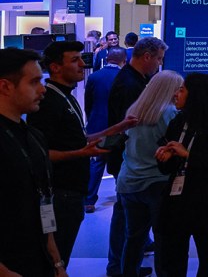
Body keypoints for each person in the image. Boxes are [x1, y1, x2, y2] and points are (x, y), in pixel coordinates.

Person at [28, 40, 137, 268]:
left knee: (61, 256)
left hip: (73, 191)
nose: (83, 65)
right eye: (75, 60)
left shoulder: (66, 97)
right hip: (60, 193)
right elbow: (39, 153)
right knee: (53, 260)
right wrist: (80, 153)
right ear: (55, 67)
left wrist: (114, 129)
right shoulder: (49, 102)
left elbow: (78, 139)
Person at [156, 73, 208, 276]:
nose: (176, 94)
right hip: (176, 201)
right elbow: (167, 168)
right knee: (171, 259)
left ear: (196, 95)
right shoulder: (178, 122)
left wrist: (189, 155)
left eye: (182, 90)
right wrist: (165, 156)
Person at [0, 48, 67, 277]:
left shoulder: (34, 136)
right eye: (34, 82)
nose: (43, 89)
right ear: (5, 86)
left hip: (38, 260)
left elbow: (44, 200)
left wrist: (57, 262)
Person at [105, 36, 167, 275]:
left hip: (128, 160)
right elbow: (131, 127)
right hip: (127, 160)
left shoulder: (134, 79)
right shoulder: (131, 84)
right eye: (158, 59)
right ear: (147, 57)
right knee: (125, 216)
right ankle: (118, 266)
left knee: (129, 218)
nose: (159, 64)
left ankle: (122, 264)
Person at [117, 70, 182, 277]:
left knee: (133, 238)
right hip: (158, 182)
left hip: (129, 181)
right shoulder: (169, 113)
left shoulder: (134, 110)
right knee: (163, 239)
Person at [84, 46, 126, 213]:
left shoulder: (94, 76)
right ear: (124, 60)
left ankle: (89, 201)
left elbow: (88, 103)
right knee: (119, 163)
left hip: (97, 126)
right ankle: (122, 196)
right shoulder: (124, 77)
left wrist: (91, 121)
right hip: (119, 127)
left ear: (106, 59)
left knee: (96, 163)